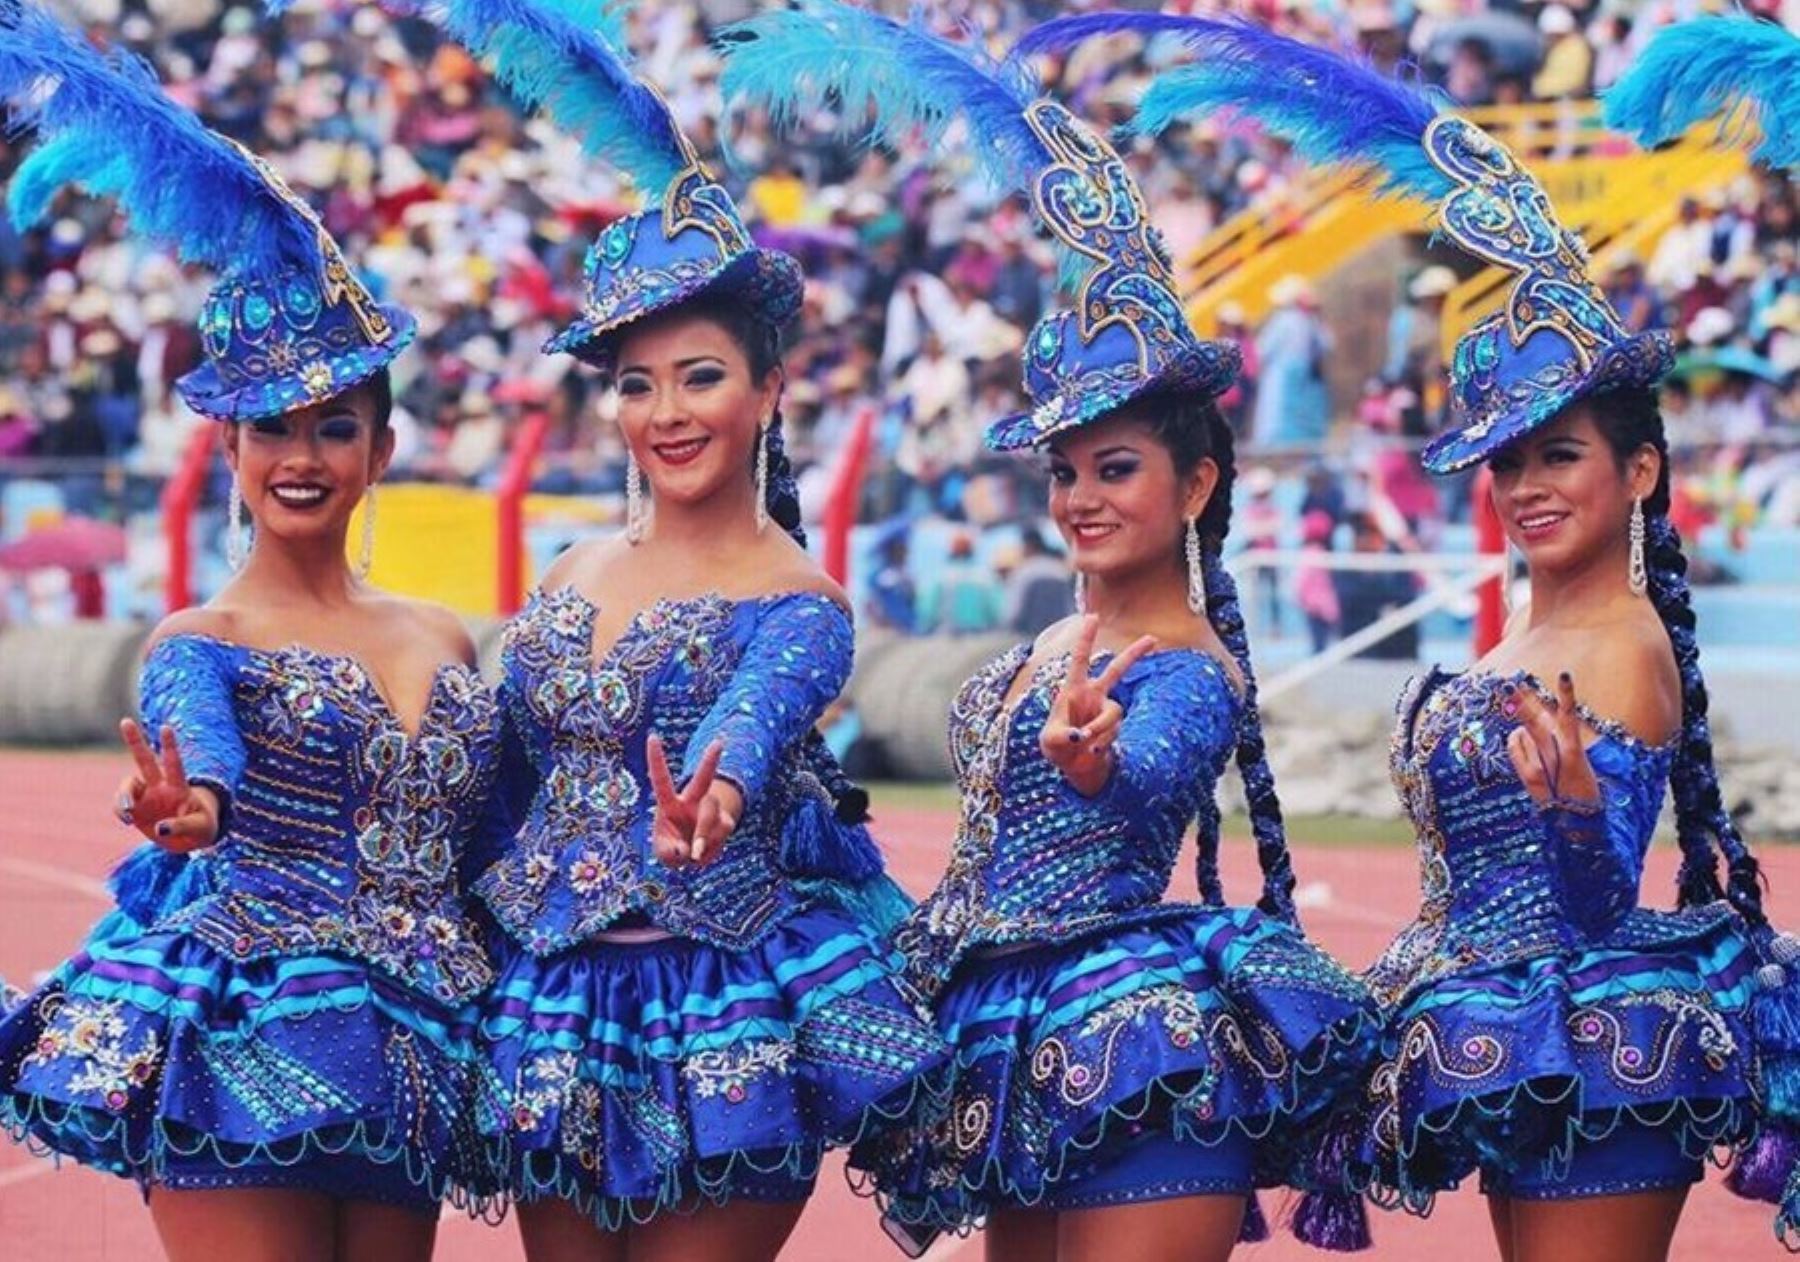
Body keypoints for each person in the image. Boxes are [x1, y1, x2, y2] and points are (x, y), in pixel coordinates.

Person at [1108, 16, 1795, 1254]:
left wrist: (1583, 813)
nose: (1528, 485)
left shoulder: (1626, 643)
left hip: (1600, 1048)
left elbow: (1590, 905)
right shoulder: (1523, 640)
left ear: (1641, 469)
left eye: (1561, 456)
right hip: (1486, 1018)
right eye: (1509, 461)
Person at [722, 11, 1380, 1258]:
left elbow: (1148, 776)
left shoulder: (1188, 664)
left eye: (1114, 467)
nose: (1079, 495)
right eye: (1065, 469)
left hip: (1144, 1046)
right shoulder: (1044, 643)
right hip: (1012, 1035)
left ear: (1192, 487)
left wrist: (1098, 764)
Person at [430, 5, 946, 1258]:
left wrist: (709, 793)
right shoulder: (567, 569)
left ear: (769, 388)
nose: (665, 411)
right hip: (554, 1000)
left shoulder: (802, 601)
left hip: (725, 1004)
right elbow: (496, 779)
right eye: (636, 382)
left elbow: (755, 721)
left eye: (700, 375)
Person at [0, 12, 499, 1260]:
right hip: (245, 1040)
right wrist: (191, 808)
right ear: (227, 451)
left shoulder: (445, 633)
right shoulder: (198, 636)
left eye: (334, 425)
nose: (302, 454)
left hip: (415, 1043)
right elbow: (200, 759)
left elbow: (495, 830)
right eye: (271, 428)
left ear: (381, 452)